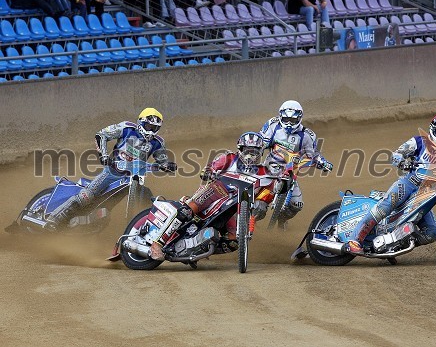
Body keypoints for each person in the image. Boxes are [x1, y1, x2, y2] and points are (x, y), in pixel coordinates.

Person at [345, 114, 436, 254]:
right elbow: (395, 155)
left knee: (431, 233)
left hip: (428, 193)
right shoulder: (419, 141)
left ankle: (395, 243)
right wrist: (403, 161)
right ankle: (355, 239)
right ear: (433, 130)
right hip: (409, 184)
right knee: (386, 205)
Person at [150, 132, 277, 260]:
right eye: (247, 151)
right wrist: (208, 172)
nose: (250, 155)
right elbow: (211, 167)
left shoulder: (265, 173)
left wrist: (263, 202)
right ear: (240, 150)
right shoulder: (230, 158)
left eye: (254, 152)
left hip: (235, 207)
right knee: (187, 211)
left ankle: (200, 249)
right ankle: (157, 243)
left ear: (261, 152)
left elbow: (269, 191)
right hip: (217, 190)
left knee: (234, 241)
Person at [45, 108, 177, 228]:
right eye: (148, 126)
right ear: (141, 122)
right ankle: (53, 219)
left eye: (154, 128)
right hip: (113, 171)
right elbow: (101, 135)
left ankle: (145, 231)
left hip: (134, 178)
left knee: (147, 199)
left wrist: (167, 165)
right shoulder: (126, 128)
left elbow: (162, 159)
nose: (150, 130)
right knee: (87, 195)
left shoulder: (158, 142)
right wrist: (103, 155)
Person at [259, 100, 333, 228]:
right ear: (281, 116)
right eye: (286, 119)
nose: (288, 123)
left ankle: (282, 220)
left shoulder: (307, 135)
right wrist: (260, 146)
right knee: (259, 207)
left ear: (299, 118)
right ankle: (245, 221)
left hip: (291, 170)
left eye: (292, 120)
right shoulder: (273, 124)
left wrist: (322, 162)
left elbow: (313, 154)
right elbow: (262, 140)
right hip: (270, 168)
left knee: (296, 204)